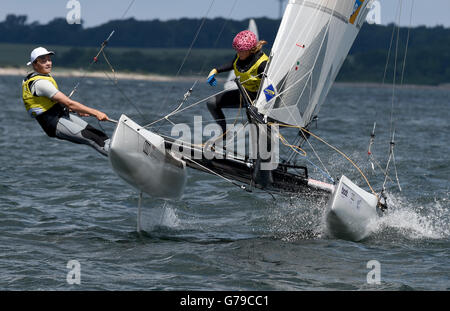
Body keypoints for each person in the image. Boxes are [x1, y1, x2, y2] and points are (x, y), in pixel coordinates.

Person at [22, 47, 111, 156]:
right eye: (43, 61)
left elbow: (51, 102)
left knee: (98, 134)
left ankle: (122, 150)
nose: (48, 63)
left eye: (49, 60)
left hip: (61, 114)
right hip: (53, 123)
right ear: (35, 64)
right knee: (92, 139)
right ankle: (121, 159)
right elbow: (69, 103)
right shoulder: (40, 83)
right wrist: (96, 113)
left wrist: (76, 111)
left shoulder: (41, 77)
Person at [206, 30, 268, 140]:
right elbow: (233, 64)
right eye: (237, 50)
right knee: (211, 103)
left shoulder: (262, 64)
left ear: (250, 49)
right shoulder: (241, 56)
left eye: (241, 51)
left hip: (259, 100)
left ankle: (261, 154)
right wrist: (215, 71)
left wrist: (264, 106)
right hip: (244, 95)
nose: (238, 53)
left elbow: (271, 88)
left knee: (254, 122)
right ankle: (224, 135)